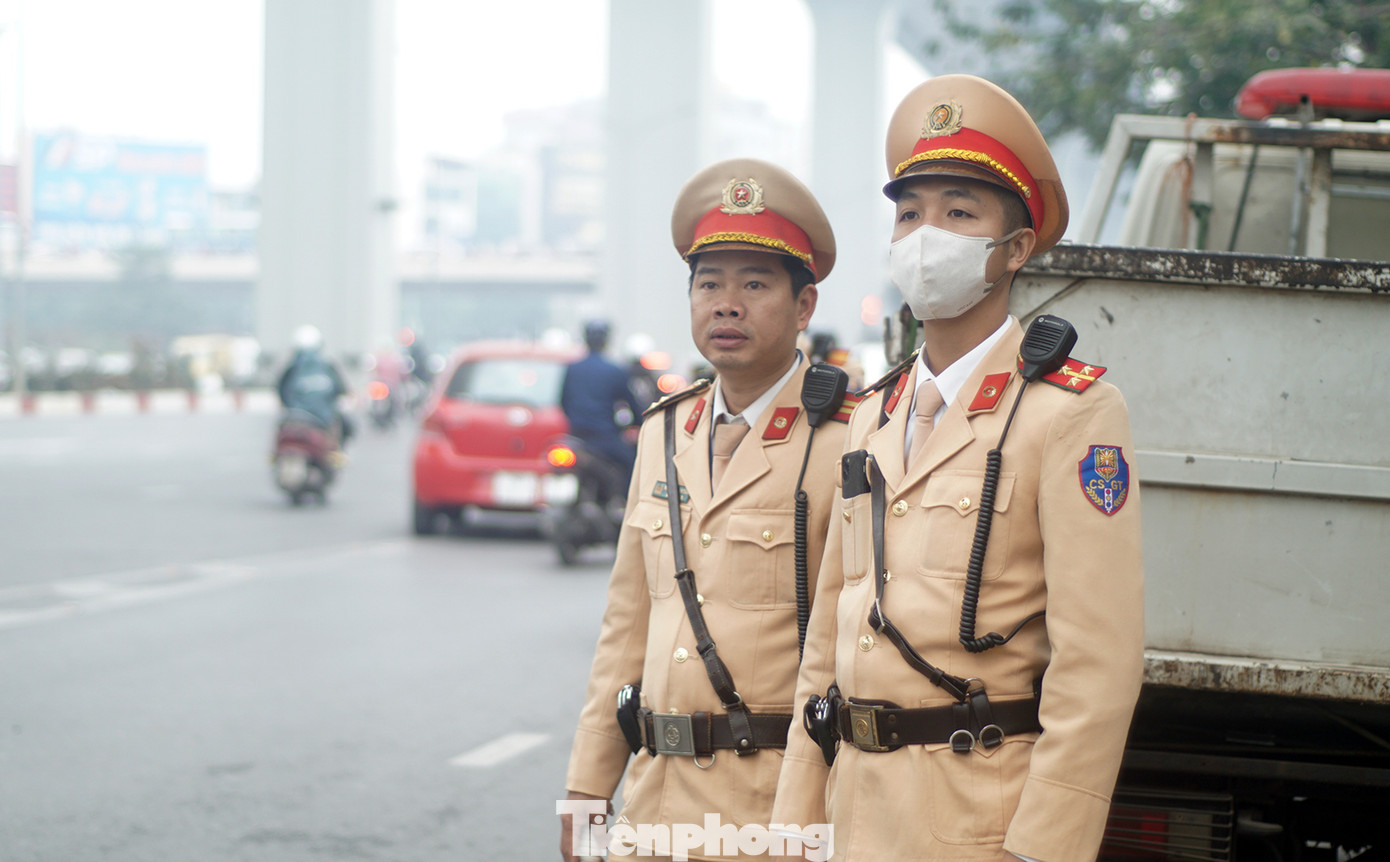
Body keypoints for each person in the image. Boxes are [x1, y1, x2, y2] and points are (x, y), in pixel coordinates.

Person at [771, 75, 1145, 861]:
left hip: (980, 822)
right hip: (852, 813)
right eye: (909, 214)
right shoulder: (872, 414)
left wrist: (1042, 848)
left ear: (1015, 250)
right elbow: (829, 638)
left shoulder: (1068, 413)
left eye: (959, 213)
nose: (924, 235)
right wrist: (795, 822)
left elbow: (1098, 663)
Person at [559, 158, 853, 862]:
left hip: (777, 809)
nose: (727, 304)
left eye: (754, 284)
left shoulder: (849, 435)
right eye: (709, 283)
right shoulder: (665, 431)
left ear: (803, 307)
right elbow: (626, 625)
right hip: (653, 801)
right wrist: (587, 785)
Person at [559, 320, 643, 498]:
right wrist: (639, 423)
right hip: (604, 438)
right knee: (631, 461)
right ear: (606, 340)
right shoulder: (615, 371)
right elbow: (633, 406)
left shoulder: (572, 369)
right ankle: (624, 503)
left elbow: (563, 402)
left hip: (576, 436)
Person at [276, 324, 351, 446]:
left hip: (295, 418)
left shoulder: (292, 368)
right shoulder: (328, 366)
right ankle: (337, 451)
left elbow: (281, 391)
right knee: (346, 427)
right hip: (323, 419)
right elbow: (341, 391)